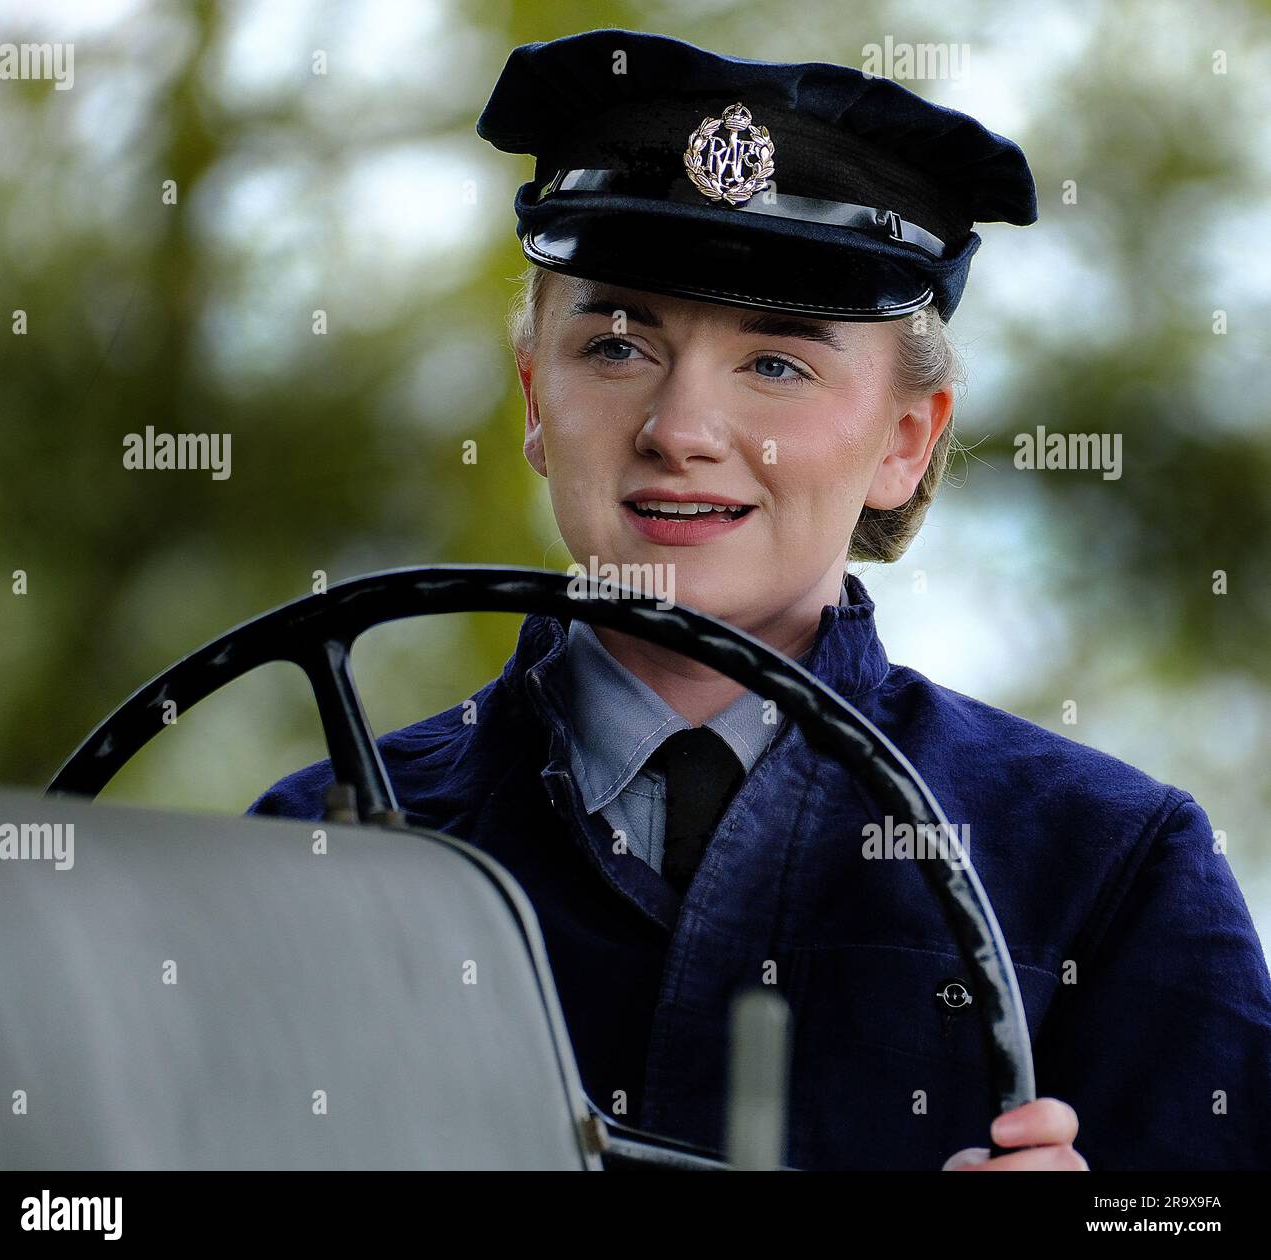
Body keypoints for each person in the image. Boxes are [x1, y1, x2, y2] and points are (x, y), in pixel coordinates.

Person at [249, 28, 1271, 1171]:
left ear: (903, 441)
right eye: (617, 345)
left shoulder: (1108, 871)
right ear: (536, 397)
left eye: (776, 365)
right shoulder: (314, 852)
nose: (679, 431)